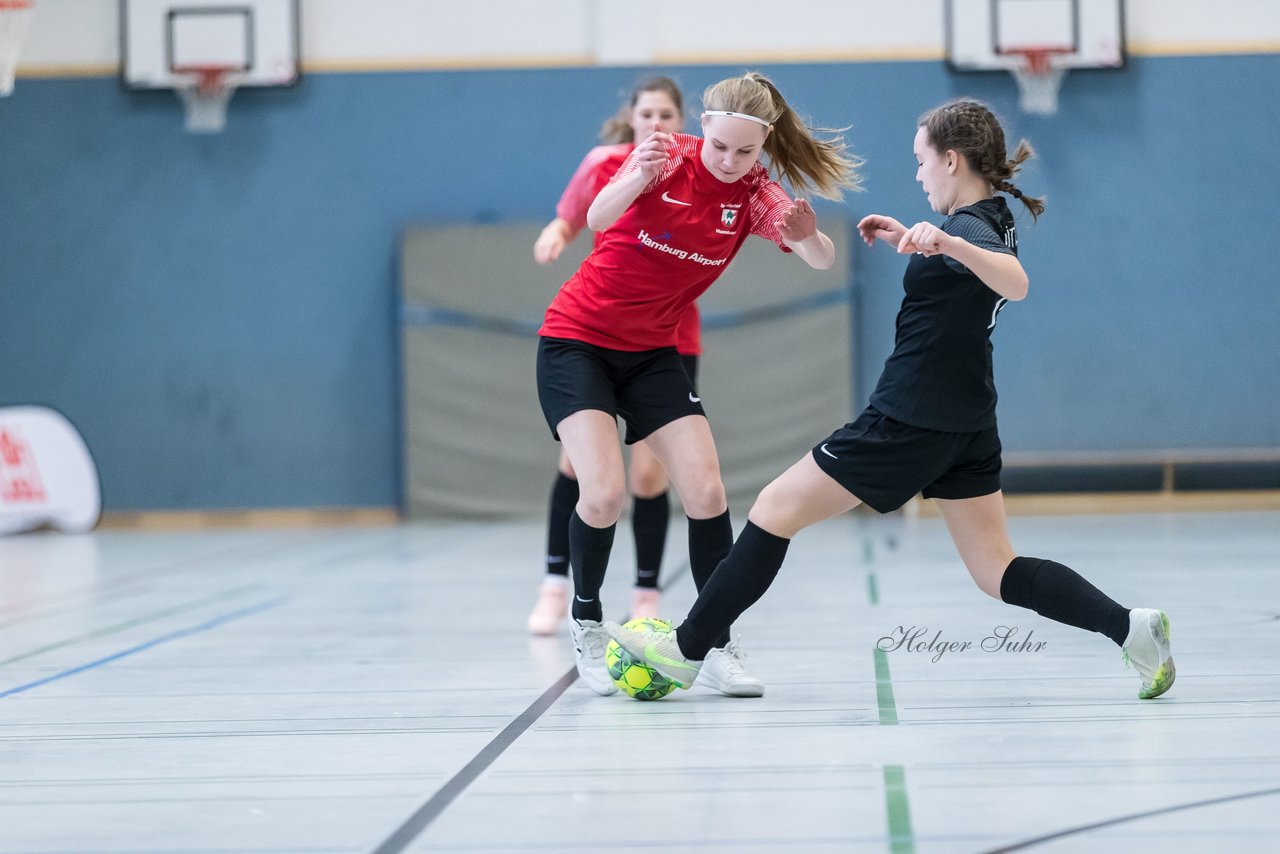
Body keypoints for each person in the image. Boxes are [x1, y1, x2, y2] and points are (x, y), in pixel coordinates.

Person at [607, 98, 1175, 702]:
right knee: (997, 571)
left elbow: (1016, 280)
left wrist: (947, 246)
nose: (917, 174)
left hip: (910, 416)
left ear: (951, 160)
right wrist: (916, 239)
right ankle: (1130, 628)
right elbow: (967, 272)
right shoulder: (989, 215)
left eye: (921, 161)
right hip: (967, 421)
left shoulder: (971, 232)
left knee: (773, 509)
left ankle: (687, 650)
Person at [536, 72, 862, 697]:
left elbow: (821, 259)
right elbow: (599, 216)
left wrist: (808, 236)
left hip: (654, 353)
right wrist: (634, 176)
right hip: (577, 342)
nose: (730, 161)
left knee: (708, 492)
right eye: (721, 147)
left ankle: (715, 642)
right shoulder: (662, 156)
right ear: (702, 128)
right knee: (602, 494)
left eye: (746, 152)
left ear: (762, 147)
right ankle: (587, 622)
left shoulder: (757, 196)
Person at [527, 76, 700, 636]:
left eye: (667, 115)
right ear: (632, 118)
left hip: (666, 339)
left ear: (682, 120)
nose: (656, 123)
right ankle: (557, 585)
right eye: (646, 113)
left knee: (650, 474)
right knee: (582, 470)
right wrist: (556, 234)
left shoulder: (702, 173)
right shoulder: (606, 163)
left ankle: (646, 591)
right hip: (598, 332)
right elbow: (573, 216)